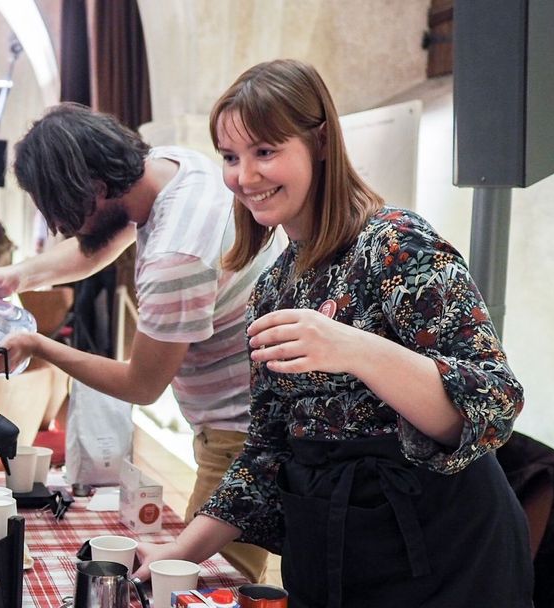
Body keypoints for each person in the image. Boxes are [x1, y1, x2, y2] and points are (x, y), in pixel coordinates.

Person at [132, 59, 532, 607]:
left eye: (265, 151)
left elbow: (494, 402)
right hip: (333, 547)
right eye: (231, 157)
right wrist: (180, 553)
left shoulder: (395, 243)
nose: (244, 177)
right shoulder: (274, 286)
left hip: (444, 554)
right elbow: (267, 454)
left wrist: (352, 347)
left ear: (320, 144)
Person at [0, 103, 284, 582]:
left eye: (71, 213)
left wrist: (41, 346)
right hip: (246, 417)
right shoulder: (172, 167)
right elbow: (100, 241)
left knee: (197, 585)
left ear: (97, 188)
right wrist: (19, 276)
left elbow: (141, 385)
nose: (70, 228)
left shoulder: (175, 257)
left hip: (239, 431)